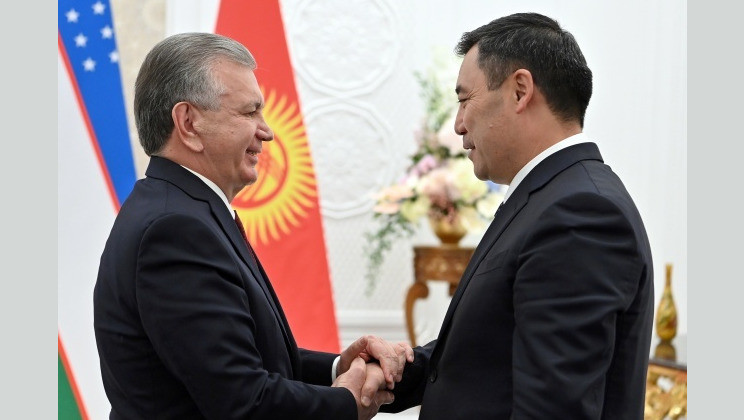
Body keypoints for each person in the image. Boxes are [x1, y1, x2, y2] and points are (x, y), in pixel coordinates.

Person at [93, 32, 412, 420]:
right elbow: (242, 401)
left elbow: (247, 359)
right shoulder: (175, 229)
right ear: (189, 123)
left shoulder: (182, 209)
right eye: (249, 113)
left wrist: (338, 368)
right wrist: (346, 402)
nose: (267, 131)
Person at [381, 12, 654, 419]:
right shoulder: (550, 197)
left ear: (520, 91)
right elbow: (489, 355)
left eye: (464, 100)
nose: (458, 124)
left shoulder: (579, 214)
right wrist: (387, 371)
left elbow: (553, 410)